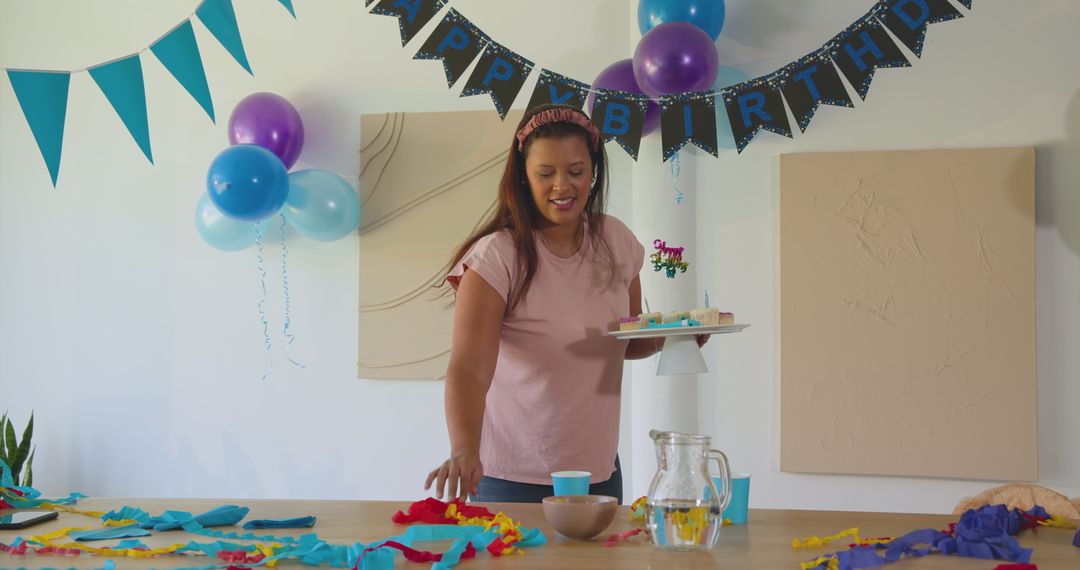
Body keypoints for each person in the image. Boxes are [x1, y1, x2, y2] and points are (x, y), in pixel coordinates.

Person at [424, 104, 708, 503]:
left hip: (599, 471)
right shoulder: (496, 256)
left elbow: (624, 340)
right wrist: (463, 449)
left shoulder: (616, 241)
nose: (562, 186)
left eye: (576, 171)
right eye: (546, 174)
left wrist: (676, 336)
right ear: (523, 177)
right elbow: (469, 369)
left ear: (593, 173)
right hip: (512, 476)